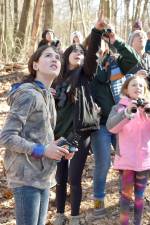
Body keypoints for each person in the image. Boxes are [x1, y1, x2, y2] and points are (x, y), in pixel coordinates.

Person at [0, 45, 74, 225]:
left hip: (43, 176)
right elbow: (7, 137)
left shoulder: (47, 95)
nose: (55, 59)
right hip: (26, 177)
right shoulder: (29, 95)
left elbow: (39, 136)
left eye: (57, 57)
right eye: (48, 56)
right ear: (35, 65)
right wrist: (42, 150)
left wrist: (58, 147)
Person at [52, 12, 105, 225]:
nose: (78, 53)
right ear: (66, 56)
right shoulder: (57, 79)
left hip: (79, 134)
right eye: (73, 51)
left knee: (74, 179)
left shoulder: (85, 75)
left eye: (80, 52)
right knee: (60, 179)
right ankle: (59, 215)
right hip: (58, 134)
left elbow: (92, 54)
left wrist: (96, 31)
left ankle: (74, 217)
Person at [88, 24, 144, 219]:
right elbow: (96, 76)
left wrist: (116, 40)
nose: (105, 50)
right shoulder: (92, 68)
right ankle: (98, 204)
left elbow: (136, 62)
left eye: (107, 43)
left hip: (123, 119)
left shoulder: (119, 62)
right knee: (103, 164)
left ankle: (126, 201)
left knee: (126, 164)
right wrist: (99, 55)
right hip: (102, 123)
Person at [106, 75, 150, 225]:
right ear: (126, 89)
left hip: (144, 161)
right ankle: (124, 222)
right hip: (126, 162)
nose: (138, 88)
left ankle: (137, 222)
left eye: (141, 86)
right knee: (126, 196)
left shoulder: (148, 108)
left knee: (140, 196)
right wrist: (126, 113)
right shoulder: (119, 107)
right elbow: (111, 128)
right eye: (134, 85)